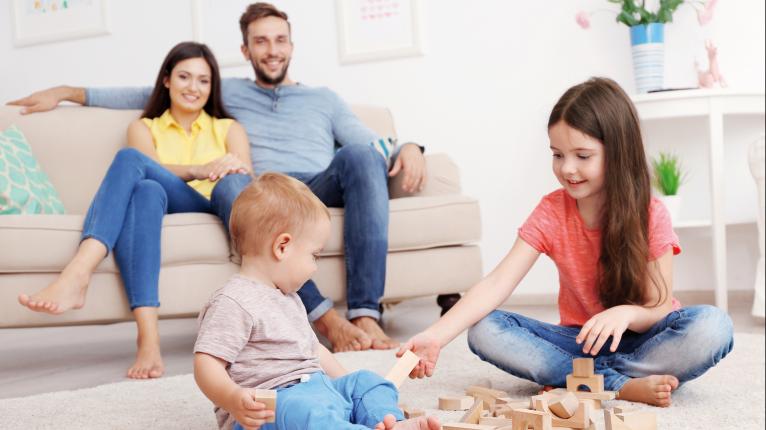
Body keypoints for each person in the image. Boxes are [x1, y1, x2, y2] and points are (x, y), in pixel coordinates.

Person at [7, 2, 426, 353]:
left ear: (291, 46)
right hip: (260, 190)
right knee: (219, 183)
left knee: (358, 155)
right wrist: (68, 91)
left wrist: (409, 147)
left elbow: (369, 144)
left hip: (315, 187)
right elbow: (148, 93)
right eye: (261, 41)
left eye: (279, 40)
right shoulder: (227, 92)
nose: (272, 49)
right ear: (245, 50)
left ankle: (366, 314)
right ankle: (324, 319)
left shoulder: (324, 99)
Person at [396, 77, 734, 407]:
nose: (567, 168)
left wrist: (625, 314)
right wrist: (436, 336)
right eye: (557, 155)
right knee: (484, 329)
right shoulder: (552, 211)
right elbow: (498, 281)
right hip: (579, 344)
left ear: (617, 153)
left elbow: (659, 306)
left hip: (646, 339)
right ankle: (616, 384)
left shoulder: (651, 213)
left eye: (582, 156)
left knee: (713, 326)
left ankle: (586, 381)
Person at [16, 41, 253, 379]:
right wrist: (199, 168)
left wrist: (228, 167)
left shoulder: (229, 128)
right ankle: (149, 339)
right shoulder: (143, 127)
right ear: (167, 80)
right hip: (162, 201)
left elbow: (245, 180)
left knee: (132, 163)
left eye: (203, 80)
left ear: (212, 87)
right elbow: (149, 167)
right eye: (184, 77)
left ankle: (80, 270)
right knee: (145, 187)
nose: (193, 87)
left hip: (208, 204)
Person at [193, 173, 441, 430]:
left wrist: (351, 394)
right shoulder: (233, 301)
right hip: (270, 410)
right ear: (282, 247)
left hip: (316, 392)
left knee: (366, 382)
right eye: (314, 255)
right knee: (302, 411)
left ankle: (389, 422)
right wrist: (233, 398)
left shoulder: (288, 298)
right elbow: (206, 363)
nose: (314, 267)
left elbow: (314, 351)